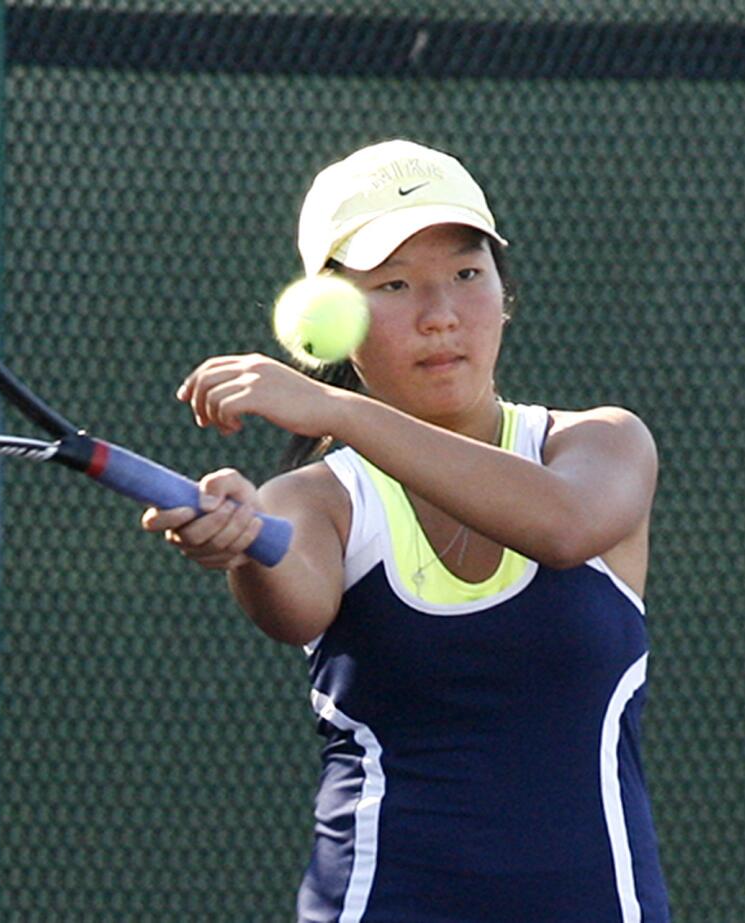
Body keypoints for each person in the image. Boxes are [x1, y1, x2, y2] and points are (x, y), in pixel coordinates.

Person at [142, 140, 670, 921]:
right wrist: (240, 538)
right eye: (393, 285)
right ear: (332, 321)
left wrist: (344, 411)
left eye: (467, 273)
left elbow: (567, 527)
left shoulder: (601, 442)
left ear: (503, 291)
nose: (441, 315)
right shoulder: (318, 500)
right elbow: (292, 603)